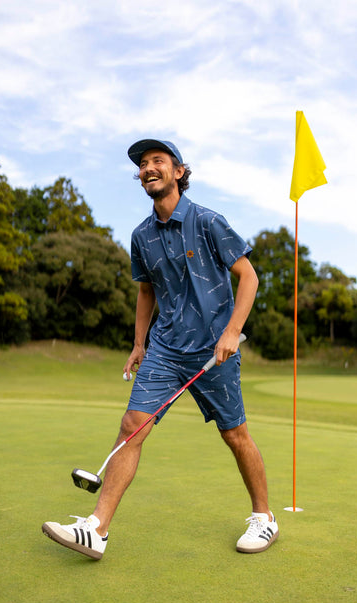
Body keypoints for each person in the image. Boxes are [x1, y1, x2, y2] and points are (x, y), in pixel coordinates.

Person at [42, 139, 279, 559]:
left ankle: (264, 518)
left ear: (179, 172)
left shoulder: (208, 221)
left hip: (213, 348)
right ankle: (97, 528)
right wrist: (139, 344)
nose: (149, 168)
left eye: (158, 161)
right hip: (165, 350)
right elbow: (147, 291)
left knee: (235, 434)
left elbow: (249, 277)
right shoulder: (141, 236)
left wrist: (232, 331)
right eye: (143, 165)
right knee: (132, 425)